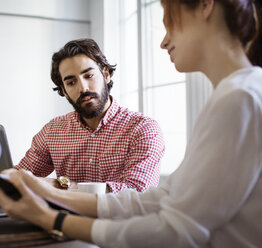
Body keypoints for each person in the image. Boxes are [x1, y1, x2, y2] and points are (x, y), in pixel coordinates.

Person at [0, 0, 262, 247]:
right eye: (71, 81)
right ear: (63, 90)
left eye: (169, 21)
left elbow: (177, 230)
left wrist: (51, 216)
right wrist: (46, 192)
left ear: (205, 5)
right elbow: (163, 199)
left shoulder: (241, 98)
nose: (163, 40)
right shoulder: (237, 94)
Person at [15, 39, 165, 193]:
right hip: (62, 216)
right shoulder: (52, 132)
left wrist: (62, 185)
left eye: (89, 75)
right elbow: (18, 178)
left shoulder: (143, 129)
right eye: (71, 82)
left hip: (119, 218)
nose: (83, 88)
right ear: (64, 92)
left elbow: (136, 193)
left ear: (106, 75)